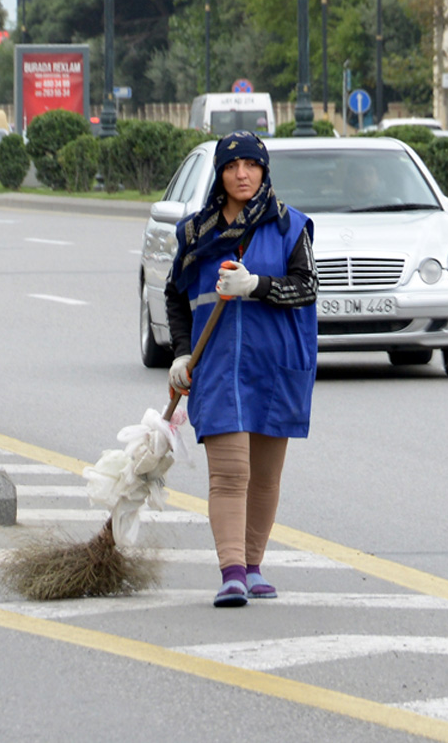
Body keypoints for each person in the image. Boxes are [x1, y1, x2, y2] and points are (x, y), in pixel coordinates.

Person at [164, 130, 318, 608]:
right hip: (218, 369)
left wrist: (256, 285)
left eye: (251, 165)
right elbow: (175, 295)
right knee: (230, 474)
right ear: (220, 174)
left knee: (266, 478)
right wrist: (181, 352)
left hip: (275, 366)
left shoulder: (291, 227)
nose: (242, 174)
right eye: (232, 167)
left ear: (264, 170)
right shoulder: (196, 233)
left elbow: (307, 287)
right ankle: (231, 572)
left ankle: (254, 566)